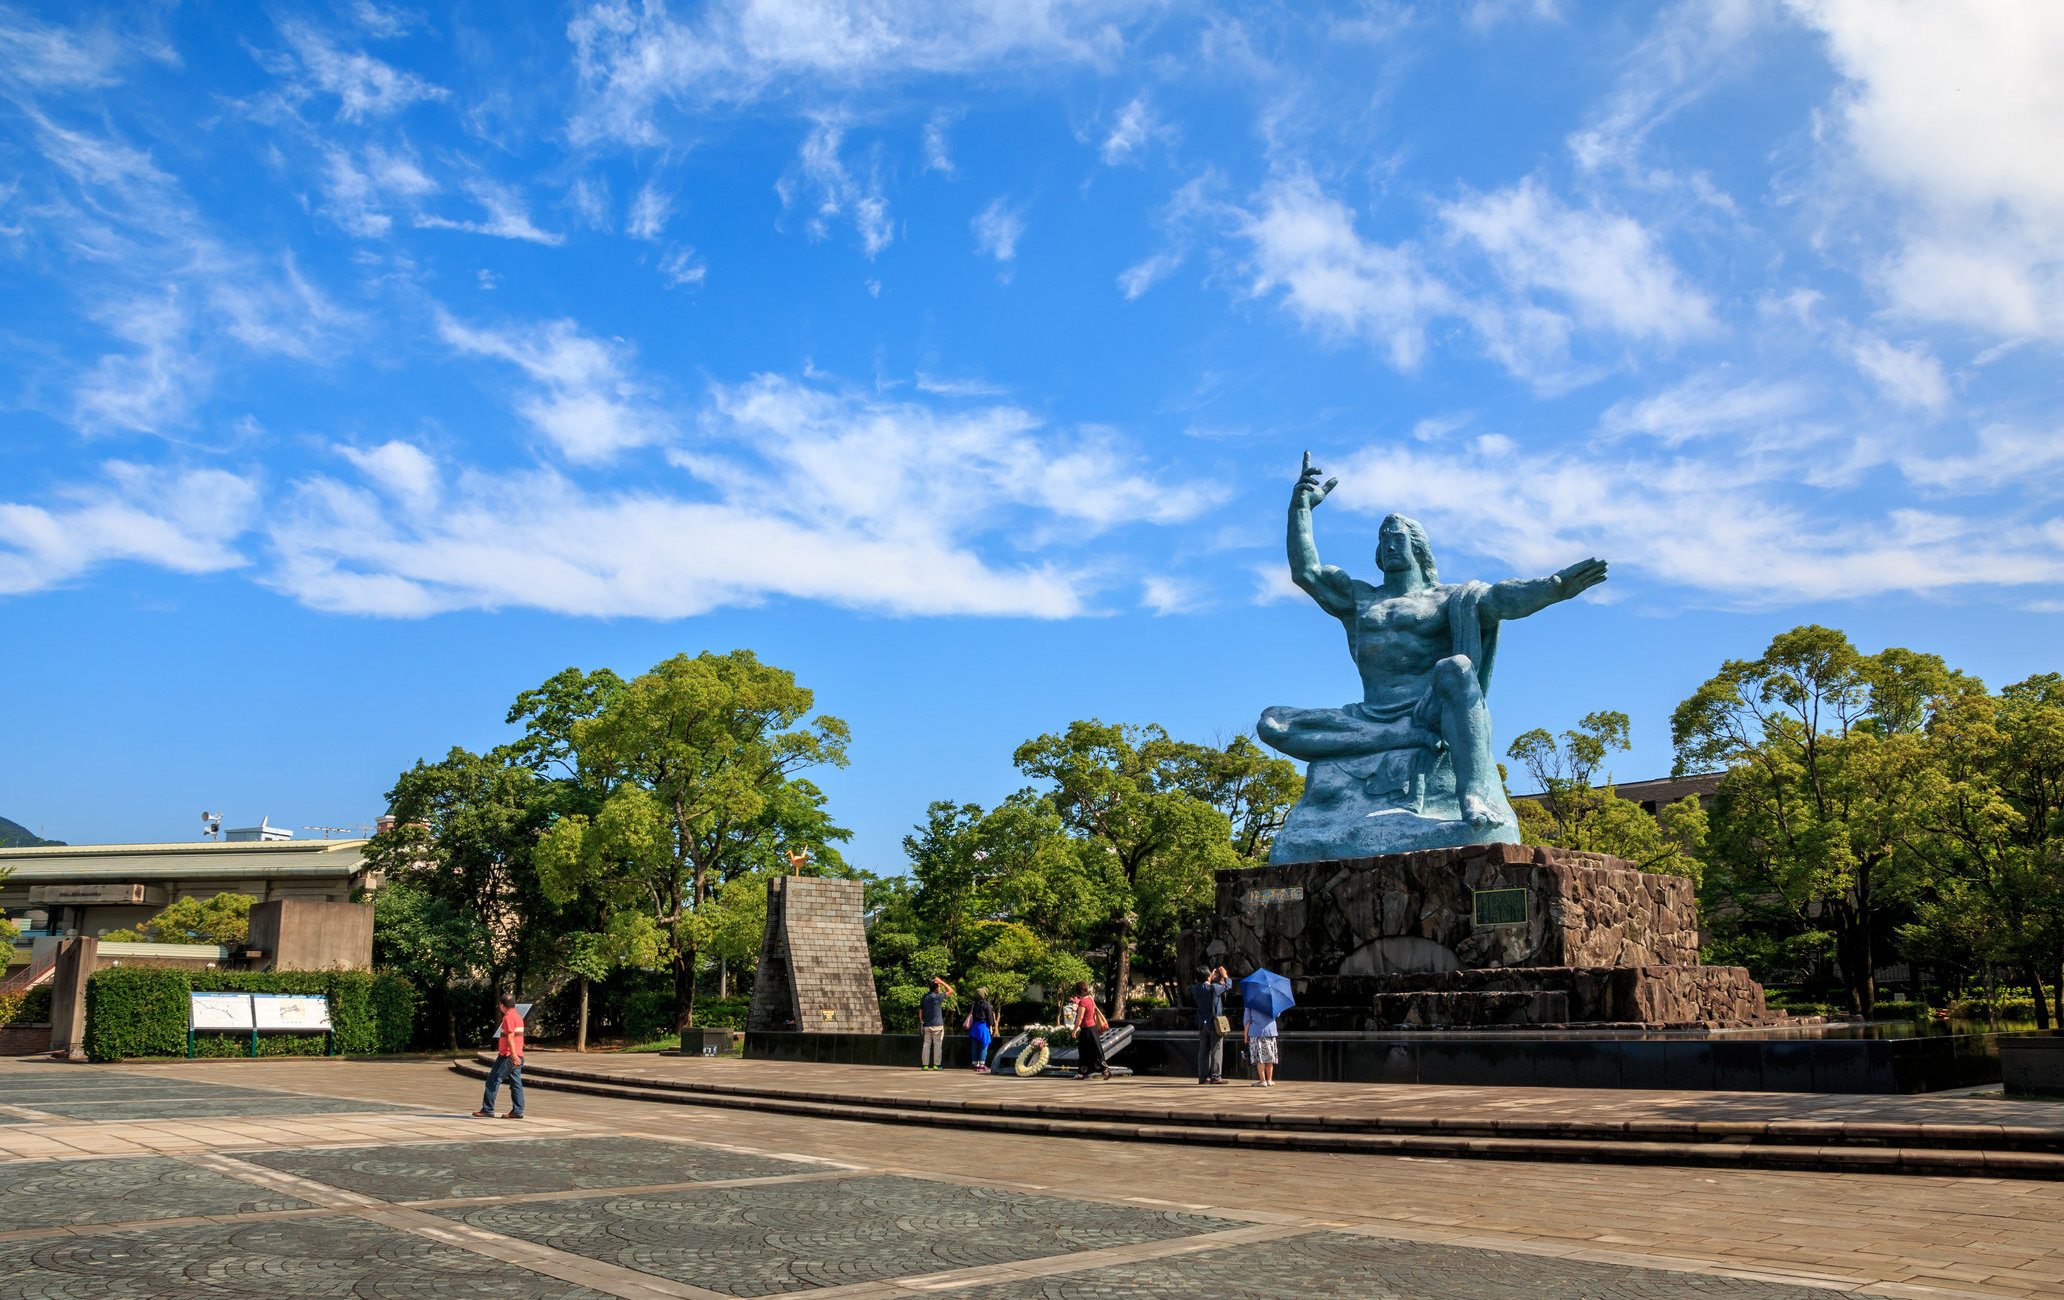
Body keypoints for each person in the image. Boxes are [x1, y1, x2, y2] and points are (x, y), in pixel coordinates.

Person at [475, 993, 525, 1119]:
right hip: (518, 1054)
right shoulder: (518, 1017)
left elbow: (510, 1037)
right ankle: (518, 1110)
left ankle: (487, 1109)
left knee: (493, 1080)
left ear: (502, 1005)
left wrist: (512, 1055)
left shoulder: (508, 1017)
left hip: (508, 1055)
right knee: (516, 1082)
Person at [1193, 965, 1231, 1085]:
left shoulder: (1195, 988)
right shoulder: (1213, 988)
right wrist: (1225, 976)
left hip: (1202, 1023)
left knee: (1203, 1051)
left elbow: (1206, 986)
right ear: (1208, 977)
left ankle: (1203, 1077)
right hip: (1214, 1023)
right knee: (1216, 1049)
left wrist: (1210, 978)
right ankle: (1215, 1076)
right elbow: (1227, 986)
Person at [1068, 981, 1111, 1081]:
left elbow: (1080, 1018)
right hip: (1093, 1028)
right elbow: (1092, 1011)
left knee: (1085, 1052)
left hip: (1086, 1030)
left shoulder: (1083, 1002)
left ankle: (1103, 1071)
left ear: (1078, 991)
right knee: (1093, 1051)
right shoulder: (1090, 999)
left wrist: (1074, 1030)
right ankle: (1082, 1073)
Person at [918, 976, 955, 1070]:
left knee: (926, 1045)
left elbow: (920, 1011)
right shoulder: (938, 997)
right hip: (937, 1026)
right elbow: (951, 990)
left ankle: (925, 1065)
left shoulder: (924, 997)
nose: (940, 988)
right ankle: (936, 1065)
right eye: (939, 987)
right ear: (936, 989)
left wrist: (921, 1020)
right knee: (937, 1045)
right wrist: (941, 981)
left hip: (926, 1025)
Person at [1245, 993, 1280, 1088]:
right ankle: (1269, 1080)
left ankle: (1262, 1080)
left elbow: (1247, 1020)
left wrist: (1245, 1035)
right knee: (1270, 1056)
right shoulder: (1272, 1000)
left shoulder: (1250, 1001)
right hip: (1270, 1031)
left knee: (1259, 1057)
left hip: (1257, 1032)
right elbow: (1277, 1014)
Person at [967, 986, 997, 1073]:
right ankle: (982, 1065)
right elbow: (990, 1018)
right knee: (984, 1046)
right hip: (983, 1027)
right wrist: (991, 1028)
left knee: (975, 1046)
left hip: (975, 1027)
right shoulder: (987, 1005)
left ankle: (976, 1065)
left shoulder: (974, 1004)